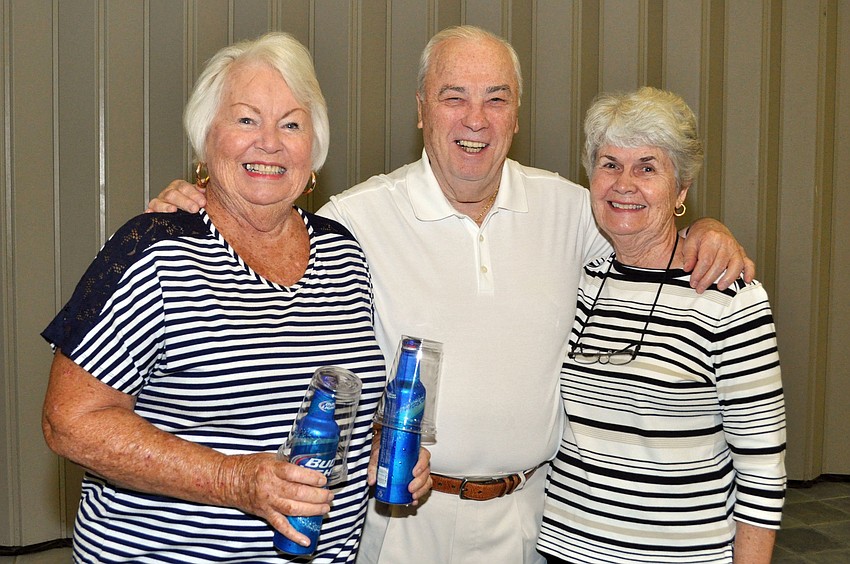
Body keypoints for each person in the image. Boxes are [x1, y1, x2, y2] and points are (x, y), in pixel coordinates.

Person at [148, 26, 755, 564]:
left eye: (496, 99)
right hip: (402, 520)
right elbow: (267, 229)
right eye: (453, 97)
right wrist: (202, 202)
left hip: (537, 518)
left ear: (517, 116)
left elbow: (644, 232)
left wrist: (706, 230)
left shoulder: (573, 210)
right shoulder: (354, 218)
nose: (475, 118)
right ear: (421, 110)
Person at [41, 32, 429, 563]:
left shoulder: (343, 254)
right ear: (206, 139)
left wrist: (381, 454)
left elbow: (337, 409)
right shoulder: (153, 252)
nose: (269, 142)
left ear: (313, 151)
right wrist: (236, 482)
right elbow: (72, 422)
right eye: (247, 119)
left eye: (291, 124)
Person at [537, 87, 785, 564]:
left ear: (682, 189)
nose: (624, 184)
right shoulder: (578, 278)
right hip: (562, 548)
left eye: (647, 168)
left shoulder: (727, 297)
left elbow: (762, 466)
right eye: (609, 164)